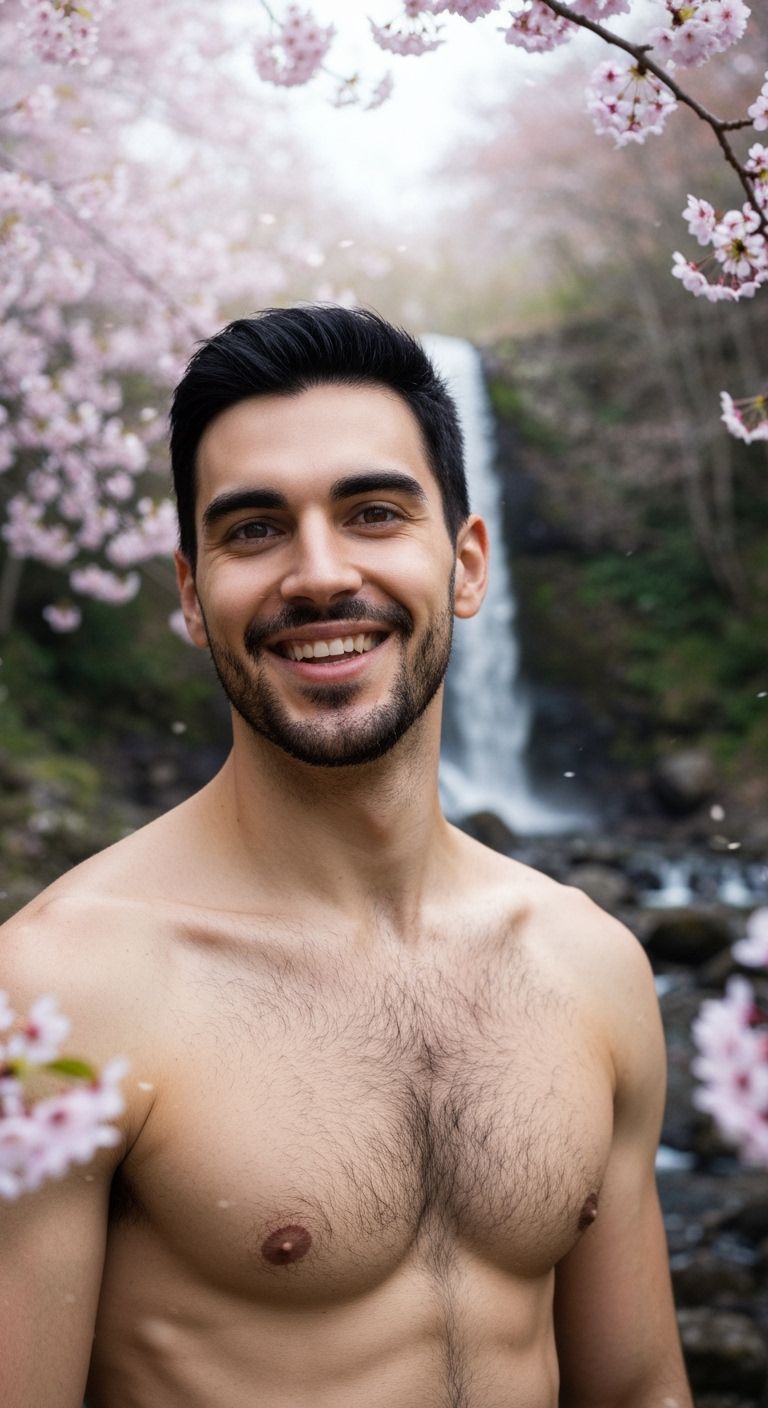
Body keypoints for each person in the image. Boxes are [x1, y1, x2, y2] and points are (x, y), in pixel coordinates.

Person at [1, 305, 692, 1408]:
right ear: (191, 593)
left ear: (468, 564)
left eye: (373, 512)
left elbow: (642, 1387)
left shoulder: (591, 964)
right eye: (254, 529)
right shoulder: (60, 998)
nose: (319, 575)